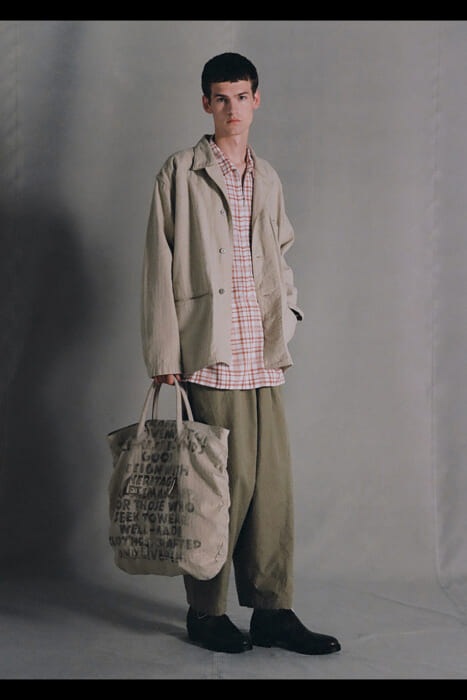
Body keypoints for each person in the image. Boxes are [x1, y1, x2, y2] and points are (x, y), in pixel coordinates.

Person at [141, 52, 341, 655]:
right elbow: (158, 264)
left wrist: (290, 314)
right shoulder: (180, 172)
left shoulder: (268, 176)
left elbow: (281, 253)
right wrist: (164, 353)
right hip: (209, 355)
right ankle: (206, 614)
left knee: (270, 493)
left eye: (242, 96)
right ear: (206, 103)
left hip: (263, 356)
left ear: (257, 101)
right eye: (221, 98)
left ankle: (272, 611)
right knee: (216, 491)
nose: (233, 108)